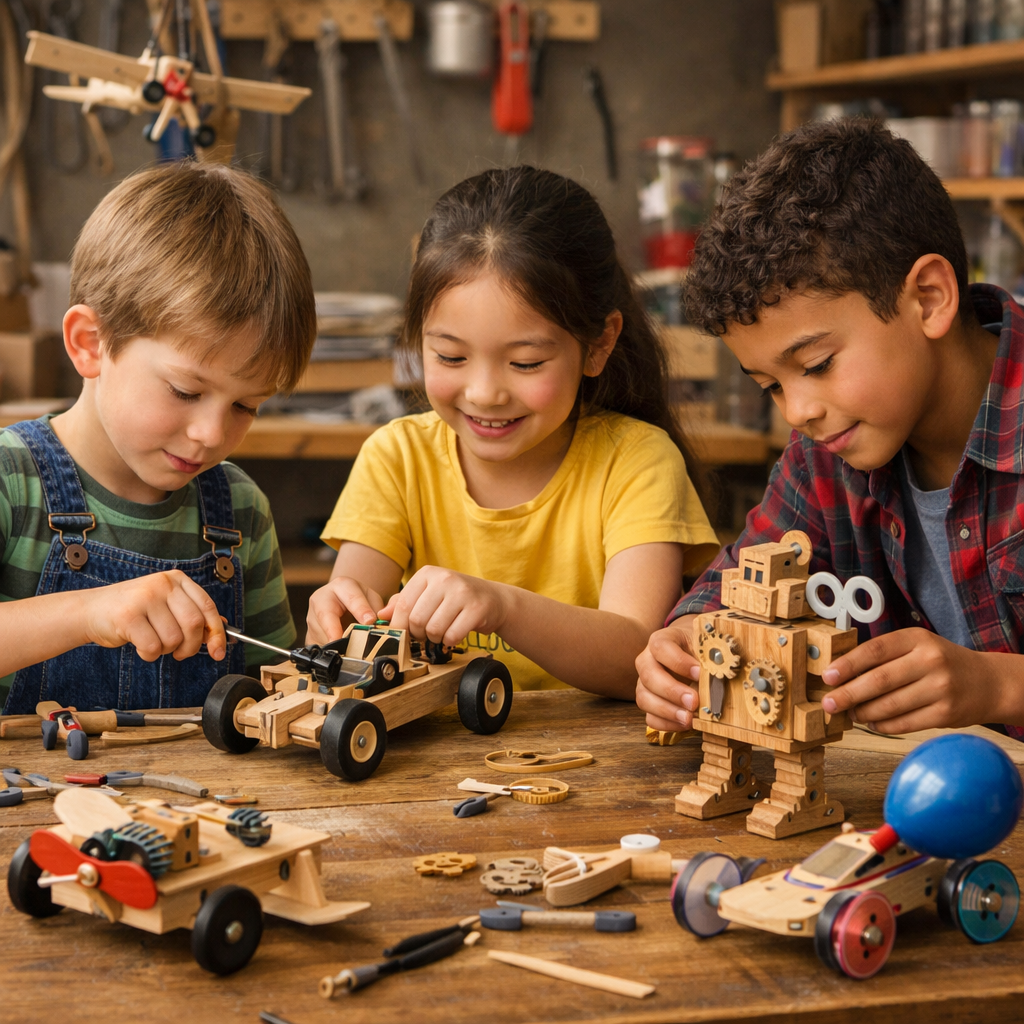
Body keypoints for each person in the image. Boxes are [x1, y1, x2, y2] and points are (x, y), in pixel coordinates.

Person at [636, 118, 1024, 741]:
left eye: (816, 365)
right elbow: (733, 590)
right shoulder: (827, 455)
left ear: (927, 298)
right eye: (771, 386)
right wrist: (684, 646)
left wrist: (1000, 686)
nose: (797, 411)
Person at [307, 167, 718, 696]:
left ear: (597, 345)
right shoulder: (396, 457)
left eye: (525, 363)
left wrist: (502, 606)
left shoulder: (637, 460)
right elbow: (354, 612)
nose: (484, 393)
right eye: (450, 356)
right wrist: (337, 616)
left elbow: (637, 655)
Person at [0, 161, 316, 713]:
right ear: (91, 343)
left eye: (246, 405)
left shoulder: (240, 511)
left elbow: (276, 691)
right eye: (185, 391)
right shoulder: (11, 482)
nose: (212, 434)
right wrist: (89, 614)